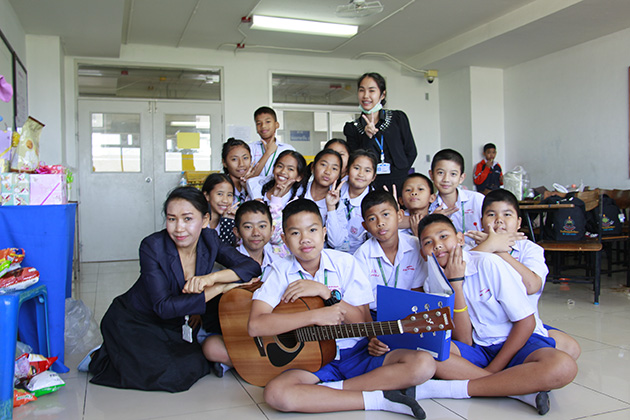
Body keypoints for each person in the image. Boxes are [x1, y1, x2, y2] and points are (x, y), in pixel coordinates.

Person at [247, 199, 434, 419]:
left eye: (312, 230)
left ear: (324, 232)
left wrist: (325, 293)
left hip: (356, 351)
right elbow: (255, 325)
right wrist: (315, 316)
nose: (305, 238)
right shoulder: (279, 271)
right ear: (284, 239)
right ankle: (378, 398)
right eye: (295, 233)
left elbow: (361, 322)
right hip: (312, 360)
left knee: (423, 364)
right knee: (276, 394)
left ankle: (331, 391)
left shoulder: (345, 263)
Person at [87, 187, 261, 392]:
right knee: (173, 377)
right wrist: (219, 287)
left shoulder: (209, 239)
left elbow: (251, 267)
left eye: (188, 219)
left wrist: (211, 278)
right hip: (135, 320)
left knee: (195, 363)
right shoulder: (153, 246)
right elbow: (163, 307)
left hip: (173, 322)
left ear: (205, 220)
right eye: (172, 219)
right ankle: (101, 355)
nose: (179, 228)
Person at [412, 214, 577, 415]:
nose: (437, 245)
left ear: (460, 239)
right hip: (478, 349)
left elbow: (526, 322)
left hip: (516, 343)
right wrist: (456, 285)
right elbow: (464, 340)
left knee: (563, 367)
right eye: (428, 243)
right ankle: (517, 390)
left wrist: (493, 370)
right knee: (426, 352)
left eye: (443, 236)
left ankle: (455, 389)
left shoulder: (488, 263)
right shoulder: (432, 282)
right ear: (423, 253)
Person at [465, 189, 581, 360]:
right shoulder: (470, 249)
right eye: (491, 214)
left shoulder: (530, 249)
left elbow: (532, 286)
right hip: (485, 333)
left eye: (507, 214)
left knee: (571, 349)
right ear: (481, 221)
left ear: (519, 222)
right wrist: (487, 246)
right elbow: (457, 273)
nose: (499, 220)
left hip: (524, 326)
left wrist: (498, 249)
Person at [353, 190, 425, 324]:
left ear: (400, 216)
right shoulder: (362, 255)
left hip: (409, 311)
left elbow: (418, 291)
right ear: (365, 226)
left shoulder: (415, 246)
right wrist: (372, 331)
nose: (380, 223)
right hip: (375, 315)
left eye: (385, 214)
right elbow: (363, 303)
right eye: (372, 219)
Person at [344, 72, 417, 192]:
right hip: (370, 184)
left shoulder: (397, 118)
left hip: (400, 181)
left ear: (382, 95)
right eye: (361, 90)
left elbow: (411, 151)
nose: (366, 95)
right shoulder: (352, 128)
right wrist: (367, 137)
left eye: (371, 90)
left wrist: (400, 174)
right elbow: (355, 161)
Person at [247, 150, 308, 257]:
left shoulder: (295, 203)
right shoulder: (258, 192)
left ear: (299, 177)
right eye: (280, 166)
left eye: (290, 169)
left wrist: (276, 200)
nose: (283, 171)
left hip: (277, 257)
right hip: (251, 251)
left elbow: (276, 238)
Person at [428, 148, 485, 246]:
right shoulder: (428, 205)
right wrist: (433, 220)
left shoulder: (477, 200)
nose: (446, 179)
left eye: (453, 174)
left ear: (461, 178)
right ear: (431, 175)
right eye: (440, 173)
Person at [326, 150, 377, 253]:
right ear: (348, 170)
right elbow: (334, 241)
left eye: (367, 170)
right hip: (331, 251)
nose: (361, 174)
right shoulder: (334, 191)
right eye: (356, 168)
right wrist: (331, 208)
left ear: (373, 177)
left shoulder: (375, 201)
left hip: (360, 254)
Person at [233, 200, 279, 277]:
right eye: (248, 227)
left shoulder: (278, 263)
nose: (256, 233)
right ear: (237, 232)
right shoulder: (227, 262)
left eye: (262, 226)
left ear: (272, 230)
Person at [249, 106, 295, 178]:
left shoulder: (287, 149)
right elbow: (249, 176)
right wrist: (268, 153)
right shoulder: (250, 148)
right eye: (259, 123)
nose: (263, 126)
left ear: (277, 125)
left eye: (268, 122)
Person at [303, 148, 342, 223]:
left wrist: (331, 207)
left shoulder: (338, 203)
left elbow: (337, 231)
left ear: (338, 175)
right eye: (323, 165)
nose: (328, 172)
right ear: (313, 167)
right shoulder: (297, 191)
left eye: (334, 168)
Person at [202, 173, 237, 246]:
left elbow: (226, 250)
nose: (225, 200)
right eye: (220, 194)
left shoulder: (231, 222)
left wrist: (227, 222)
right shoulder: (198, 221)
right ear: (207, 196)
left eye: (229, 195)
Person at [398, 173, 436, 238]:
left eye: (420, 189)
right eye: (408, 190)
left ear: (432, 198)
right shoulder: (396, 226)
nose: (414, 192)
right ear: (401, 200)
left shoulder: (438, 222)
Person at [222, 137, 252, 205]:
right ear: (224, 162)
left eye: (245, 158)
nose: (241, 164)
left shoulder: (253, 186)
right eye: (234, 159)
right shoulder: (221, 187)